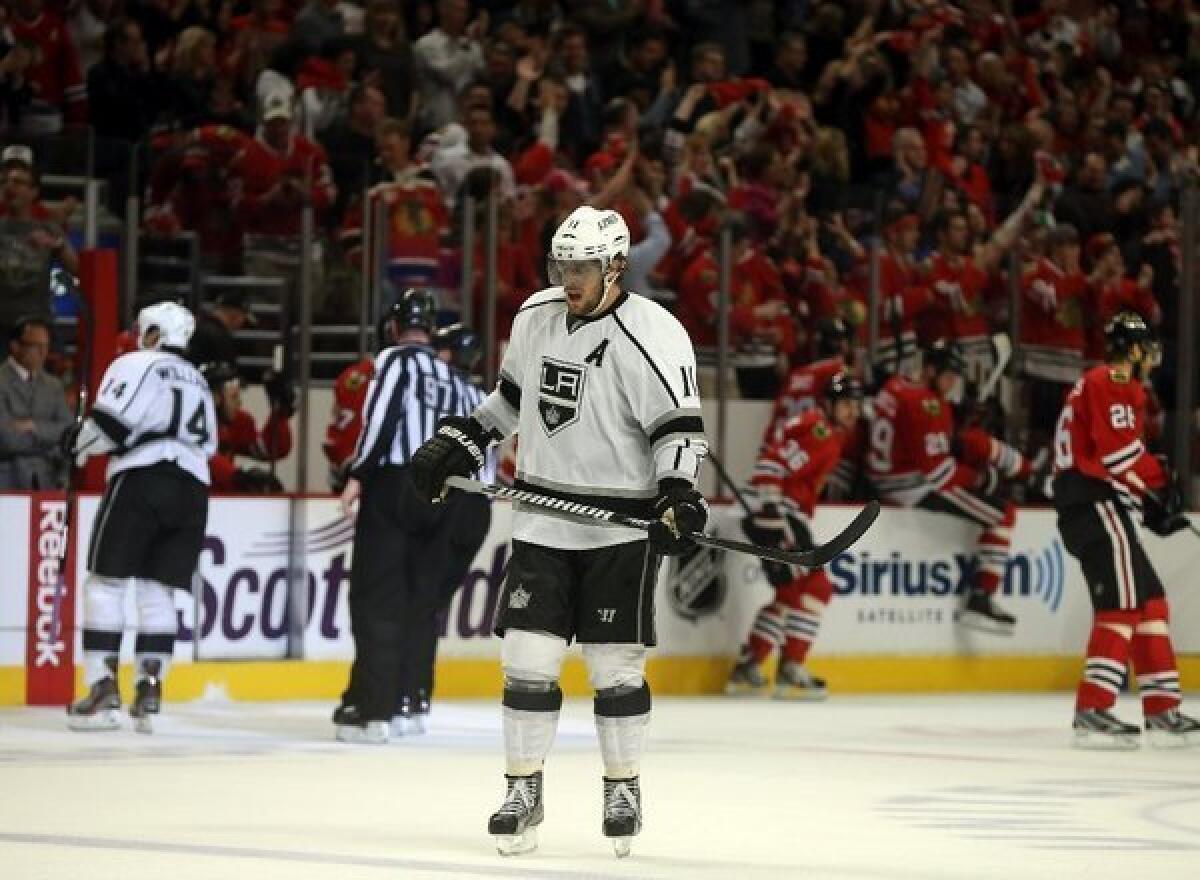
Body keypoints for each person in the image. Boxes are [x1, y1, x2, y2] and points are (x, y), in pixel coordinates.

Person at [408, 205, 708, 857]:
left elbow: (679, 432)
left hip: (618, 529)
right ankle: (523, 789)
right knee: (526, 660)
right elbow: (512, 400)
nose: (569, 277)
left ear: (616, 267)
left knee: (614, 669)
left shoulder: (656, 335)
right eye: (562, 264)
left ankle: (622, 786)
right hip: (543, 520)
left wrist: (678, 493)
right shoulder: (535, 315)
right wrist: (463, 440)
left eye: (584, 267)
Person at [66, 302, 216, 734]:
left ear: (152, 333)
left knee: (106, 582)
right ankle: (150, 690)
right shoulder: (200, 380)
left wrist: (75, 445)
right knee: (158, 591)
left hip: (143, 478)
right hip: (192, 487)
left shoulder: (136, 362)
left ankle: (102, 687)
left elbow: (109, 426)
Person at [1052, 311, 1200, 749]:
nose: (1152, 358)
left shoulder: (1104, 381)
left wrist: (1152, 501)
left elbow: (1113, 459)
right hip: (1091, 503)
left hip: (1098, 502)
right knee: (1123, 604)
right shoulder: (1115, 380)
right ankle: (1093, 708)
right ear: (1133, 350)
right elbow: (1118, 460)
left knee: (1151, 603)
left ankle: (1162, 707)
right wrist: (1159, 485)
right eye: (1148, 349)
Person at [332, 289, 471, 744]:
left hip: (396, 483)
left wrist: (358, 474)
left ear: (394, 326)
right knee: (420, 600)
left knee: (377, 599)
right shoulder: (451, 378)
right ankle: (411, 702)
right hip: (445, 493)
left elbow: (382, 420)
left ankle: (374, 710)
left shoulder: (395, 361)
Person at [867, 339, 1019, 635]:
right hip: (911, 486)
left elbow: (917, 434)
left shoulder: (895, 386)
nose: (951, 384)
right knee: (1003, 514)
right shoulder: (926, 403)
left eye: (955, 377)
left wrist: (951, 422)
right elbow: (940, 474)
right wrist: (983, 478)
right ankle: (981, 598)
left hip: (884, 478)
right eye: (948, 375)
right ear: (930, 370)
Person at [727, 372, 863, 699]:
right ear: (829, 404)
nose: (851, 411)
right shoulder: (820, 432)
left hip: (780, 514)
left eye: (855, 405)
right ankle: (786, 668)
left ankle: (752, 667)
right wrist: (772, 513)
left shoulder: (820, 427)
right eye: (845, 404)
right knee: (815, 585)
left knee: (793, 593)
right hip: (779, 514)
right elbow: (771, 466)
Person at [395, 322, 494, 735]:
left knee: (415, 603)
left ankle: (407, 694)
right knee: (428, 606)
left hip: (449, 500)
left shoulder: (436, 387)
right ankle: (417, 695)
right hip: (479, 510)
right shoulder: (482, 397)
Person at [0, 315, 71, 489]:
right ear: (15, 346)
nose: (43, 352)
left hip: (47, 480)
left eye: (46, 346)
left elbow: (68, 431)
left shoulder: (53, 385)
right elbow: (6, 439)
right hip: (7, 481)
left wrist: (33, 426)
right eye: (36, 346)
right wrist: (50, 443)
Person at [200, 361, 292, 493]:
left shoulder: (237, 421)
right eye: (234, 397)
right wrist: (238, 476)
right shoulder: (189, 424)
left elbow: (269, 449)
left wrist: (279, 413)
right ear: (214, 398)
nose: (239, 403)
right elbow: (204, 457)